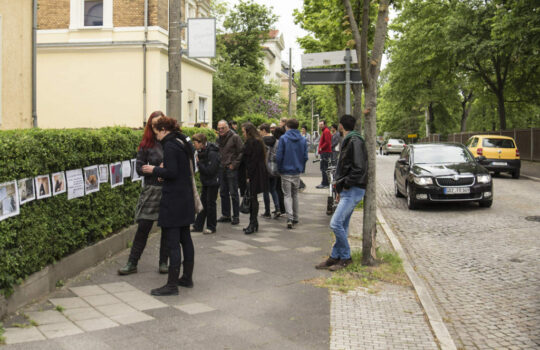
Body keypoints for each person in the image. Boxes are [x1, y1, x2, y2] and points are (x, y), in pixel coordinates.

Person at [142, 117, 196, 296]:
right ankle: (186, 278)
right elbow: (181, 169)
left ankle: (172, 285)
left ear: (164, 129)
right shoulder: (181, 141)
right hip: (185, 198)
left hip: (174, 201)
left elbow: (172, 173)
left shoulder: (170, 146)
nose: (156, 136)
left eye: (156, 132)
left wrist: (154, 170)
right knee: (185, 238)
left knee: (173, 242)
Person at [119, 111, 169, 276]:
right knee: (143, 228)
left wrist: (165, 170)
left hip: (169, 189)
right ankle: (132, 262)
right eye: (153, 124)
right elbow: (139, 168)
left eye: (159, 123)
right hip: (151, 190)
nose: (156, 127)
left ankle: (163, 262)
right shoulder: (146, 144)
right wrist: (156, 171)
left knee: (167, 228)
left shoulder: (170, 141)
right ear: (149, 125)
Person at [316, 114, 367, 271]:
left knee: (335, 223)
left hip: (352, 189)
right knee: (342, 225)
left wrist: (346, 185)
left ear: (341, 126)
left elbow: (358, 168)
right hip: (348, 189)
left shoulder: (355, 141)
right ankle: (335, 256)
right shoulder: (350, 140)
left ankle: (345, 257)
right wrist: (340, 188)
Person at [275, 119, 308, 229]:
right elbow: (305, 156)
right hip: (297, 170)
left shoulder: (283, 139)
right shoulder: (302, 139)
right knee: (295, 194)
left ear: (287, 127)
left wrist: (279, 168)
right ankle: (296, 217)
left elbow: (279, 156)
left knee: (287, 195)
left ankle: (289, 217)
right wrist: (301, 168)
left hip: (285, 170)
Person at [241, 122, 268, 234]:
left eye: (243, 131)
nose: (243, 134)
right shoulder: (257, 141)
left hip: (254, 173)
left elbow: (252, 161)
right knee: (253, 198)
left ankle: (252, 223)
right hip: (257, 172)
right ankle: (253, 222)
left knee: (252, 198)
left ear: (248, 131)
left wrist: (248, 176)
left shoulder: (253, 142)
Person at [216, 120, 244, 225]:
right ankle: (226, 214)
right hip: (221, 168)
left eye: (222, 128)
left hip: (231, 168)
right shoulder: (219, 138)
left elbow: (242, 151)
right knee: (223, 192)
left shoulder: (235, 137)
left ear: (228, 127)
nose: (220, 130)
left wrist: (234, 164)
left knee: (233, 193)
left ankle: (236, 216)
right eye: (219, 128)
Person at [192, 133, 220, 235]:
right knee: (203, 203)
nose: (194, 145)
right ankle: (198, 225)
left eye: (195, 143)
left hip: (213, 182)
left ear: (201, 143)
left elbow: (210, 171)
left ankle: (211, 226)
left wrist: (199, 163)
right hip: (206, 181)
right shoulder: (201, 151)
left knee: (210, 204)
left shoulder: (212, 153)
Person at [258, 123, 281, 219]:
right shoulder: (276, 141)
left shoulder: (261, 141)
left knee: (265, 191)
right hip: (275, 168)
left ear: (264, 130)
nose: (259, 132)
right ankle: (278, 208)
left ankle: (267, 211)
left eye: (260, 131)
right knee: (273, 189)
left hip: (265, 168)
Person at [273, 126, 287, 216]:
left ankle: (281, 209)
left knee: (278, 189)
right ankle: (281, 208)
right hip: (283, 168)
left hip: (278, 168)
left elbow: (277, 155)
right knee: (279, 189)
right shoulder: (284, 141)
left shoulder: (278, 142)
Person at [316, 120, 332, 189]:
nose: (320, 126)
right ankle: (324, 183)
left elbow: (327, 142)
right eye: (319, 125)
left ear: (325, 125)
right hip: (324, 152)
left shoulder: (326, 131)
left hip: (325, 152)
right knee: (324, 168)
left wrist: (321, 148)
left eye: (321, 124)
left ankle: (325, 183)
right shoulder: (325, 131)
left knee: (324, 168)